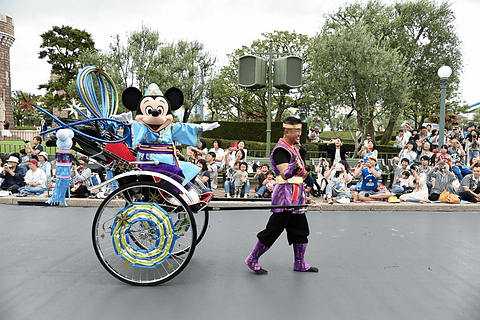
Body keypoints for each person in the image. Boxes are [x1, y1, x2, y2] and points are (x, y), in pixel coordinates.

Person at [245, 116, 318, 275]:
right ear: (287, 130)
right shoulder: (281, 149)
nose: (299, 133)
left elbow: (301, 172)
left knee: (301, 229)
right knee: (273, 229)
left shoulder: (293, 148)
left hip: (296, 195)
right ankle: (252, 259)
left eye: (300, 129)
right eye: (296, 130)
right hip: (285, 196)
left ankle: (299, 263)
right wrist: (295, 162)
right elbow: (285, 174)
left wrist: (302, 155)